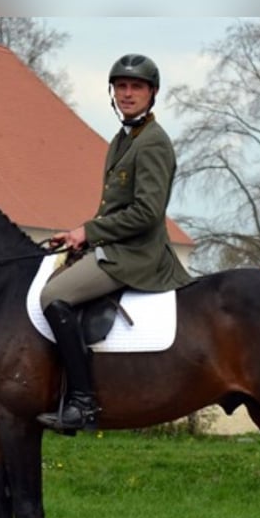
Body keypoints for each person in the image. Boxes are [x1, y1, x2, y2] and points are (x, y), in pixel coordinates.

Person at [37, 53, 193, 431]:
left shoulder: (153, 143)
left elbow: (148, 213)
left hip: (136, 255)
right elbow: (114, 207)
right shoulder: (122, 140)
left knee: (52, 298)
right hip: (114, 246)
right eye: (121, 86)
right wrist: (81, 234)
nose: (127, 93)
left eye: (135, 87)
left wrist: (90, 232)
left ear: (152, 93)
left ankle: (83, 404)